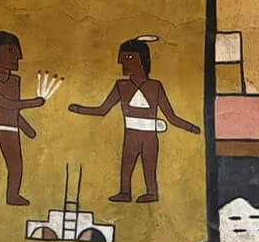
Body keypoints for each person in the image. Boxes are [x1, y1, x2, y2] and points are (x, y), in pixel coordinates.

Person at [68, 34, 200, 203]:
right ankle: (125, 192)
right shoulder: (122, 86)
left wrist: (191, 127)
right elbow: (102, 110)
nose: (123, 63)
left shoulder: (155, 86)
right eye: (123, 59)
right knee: (127, 164)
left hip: (150, 136)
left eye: (129, 57)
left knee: (149, 165)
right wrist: (79, 109)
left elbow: (171, 117)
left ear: (141, 60)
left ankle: (151, 192)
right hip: (131, 135)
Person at [0, 30, 45, 206]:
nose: (18, 56)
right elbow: (4, 103)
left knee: (16, 165)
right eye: (11, 50)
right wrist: (33, 103)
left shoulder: (14, 81)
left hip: (10, 131)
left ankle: (13, 195)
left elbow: (12, 110)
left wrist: (26, 128)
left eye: (17, 51)